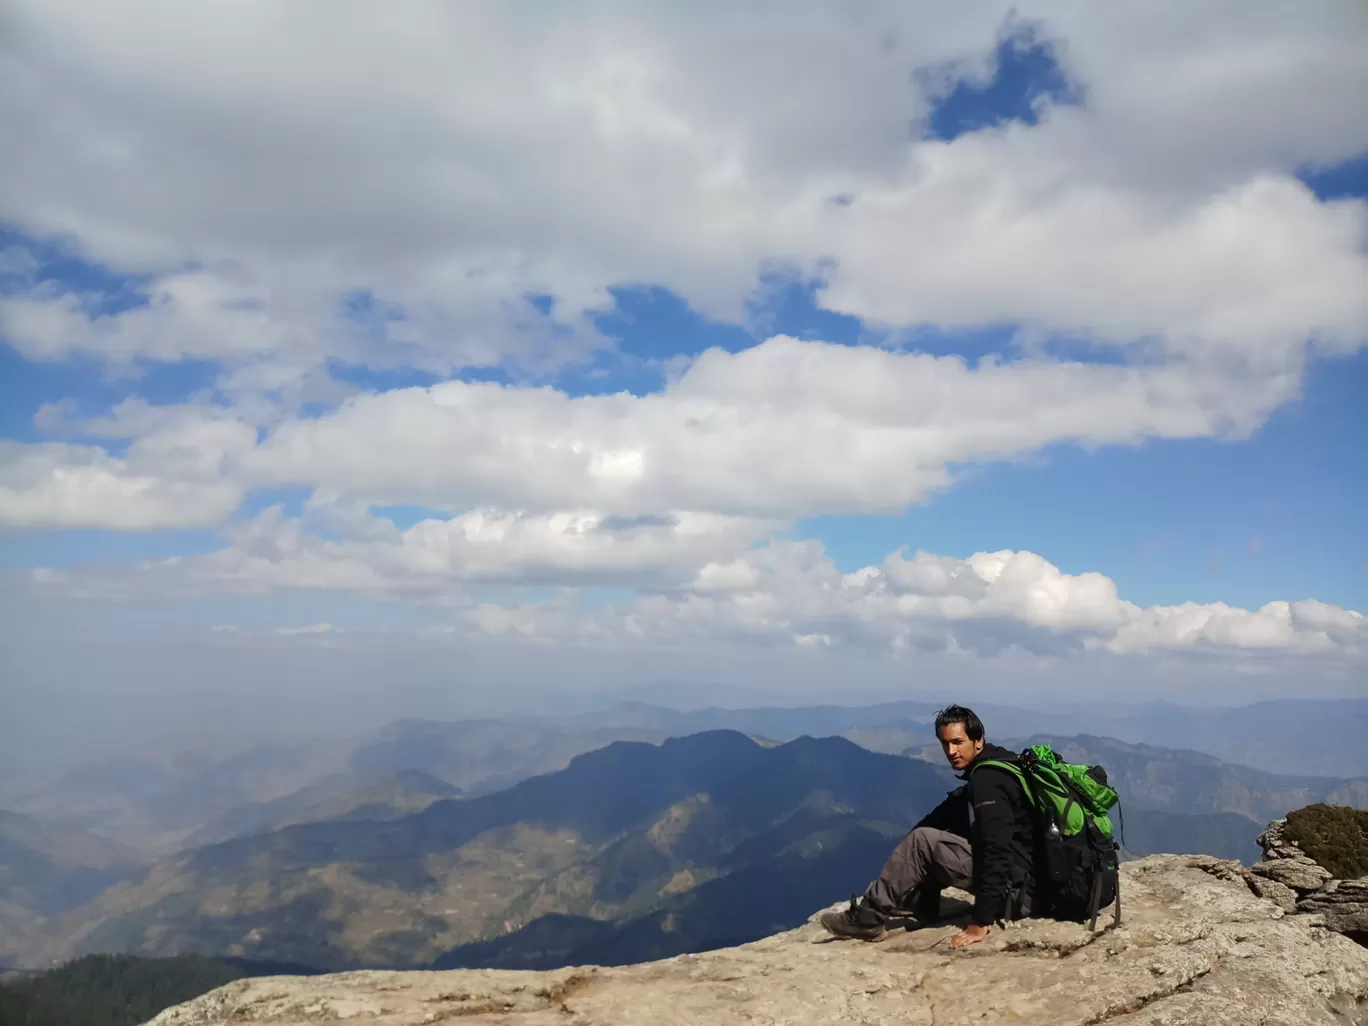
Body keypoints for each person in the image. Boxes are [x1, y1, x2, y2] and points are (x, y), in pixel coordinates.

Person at [820, 705, 1037, 950]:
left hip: (1018, 892)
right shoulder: (998, 763)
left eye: (957, 742)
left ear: (978, 740)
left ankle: (868, 918)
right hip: (1025, 881)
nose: (951, 751)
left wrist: (981, 920)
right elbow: (942, 817)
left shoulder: (988, 782)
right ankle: (925, 902)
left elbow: (996, 850)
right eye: (945, 744)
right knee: (929, 836)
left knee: (923, 841)